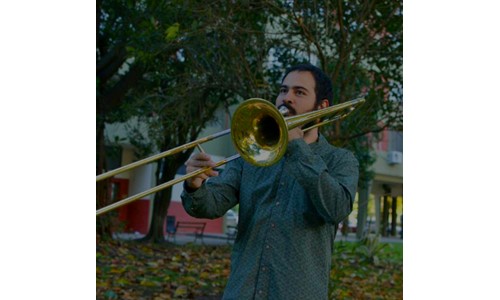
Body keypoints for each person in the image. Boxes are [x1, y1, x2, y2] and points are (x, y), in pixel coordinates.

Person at [181, 64, 359, 299]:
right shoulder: (251, 154)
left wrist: (296, 147)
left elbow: (336, 208)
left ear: (322, 106)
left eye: (299, 92)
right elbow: (210, 205)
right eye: (283, 90)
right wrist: (194, 186)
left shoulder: (341, 160)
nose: (287, 98)